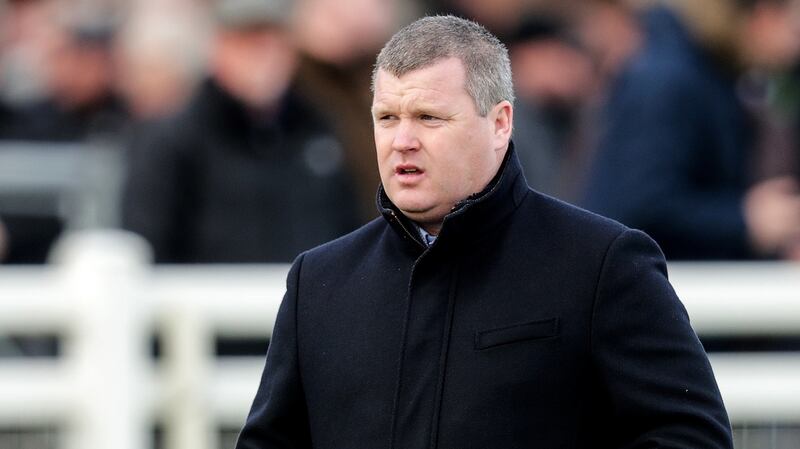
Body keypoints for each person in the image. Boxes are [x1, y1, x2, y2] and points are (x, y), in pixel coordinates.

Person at [236, 15, 732, 448]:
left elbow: (690, 435)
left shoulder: (603, 263)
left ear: (499, 124)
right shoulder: (318, 281)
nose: (402, 141)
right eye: (387, 118)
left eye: (429, 118)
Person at [122, 0, 360, 263]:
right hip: (208, 302)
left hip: (307, 299)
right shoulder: (174, 140)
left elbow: (348, 227)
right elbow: (148, 243)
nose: (264, 56)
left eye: (273, 41)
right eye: (247, 42)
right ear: (218, 48)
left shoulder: (318, 129)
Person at [580, 0, 800, 260]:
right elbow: (642, 205)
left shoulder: (706, 77)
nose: (794, 47)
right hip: (644, 285)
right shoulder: (670, 81)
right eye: (793, 29)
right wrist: (744, 219)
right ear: (763, 14)